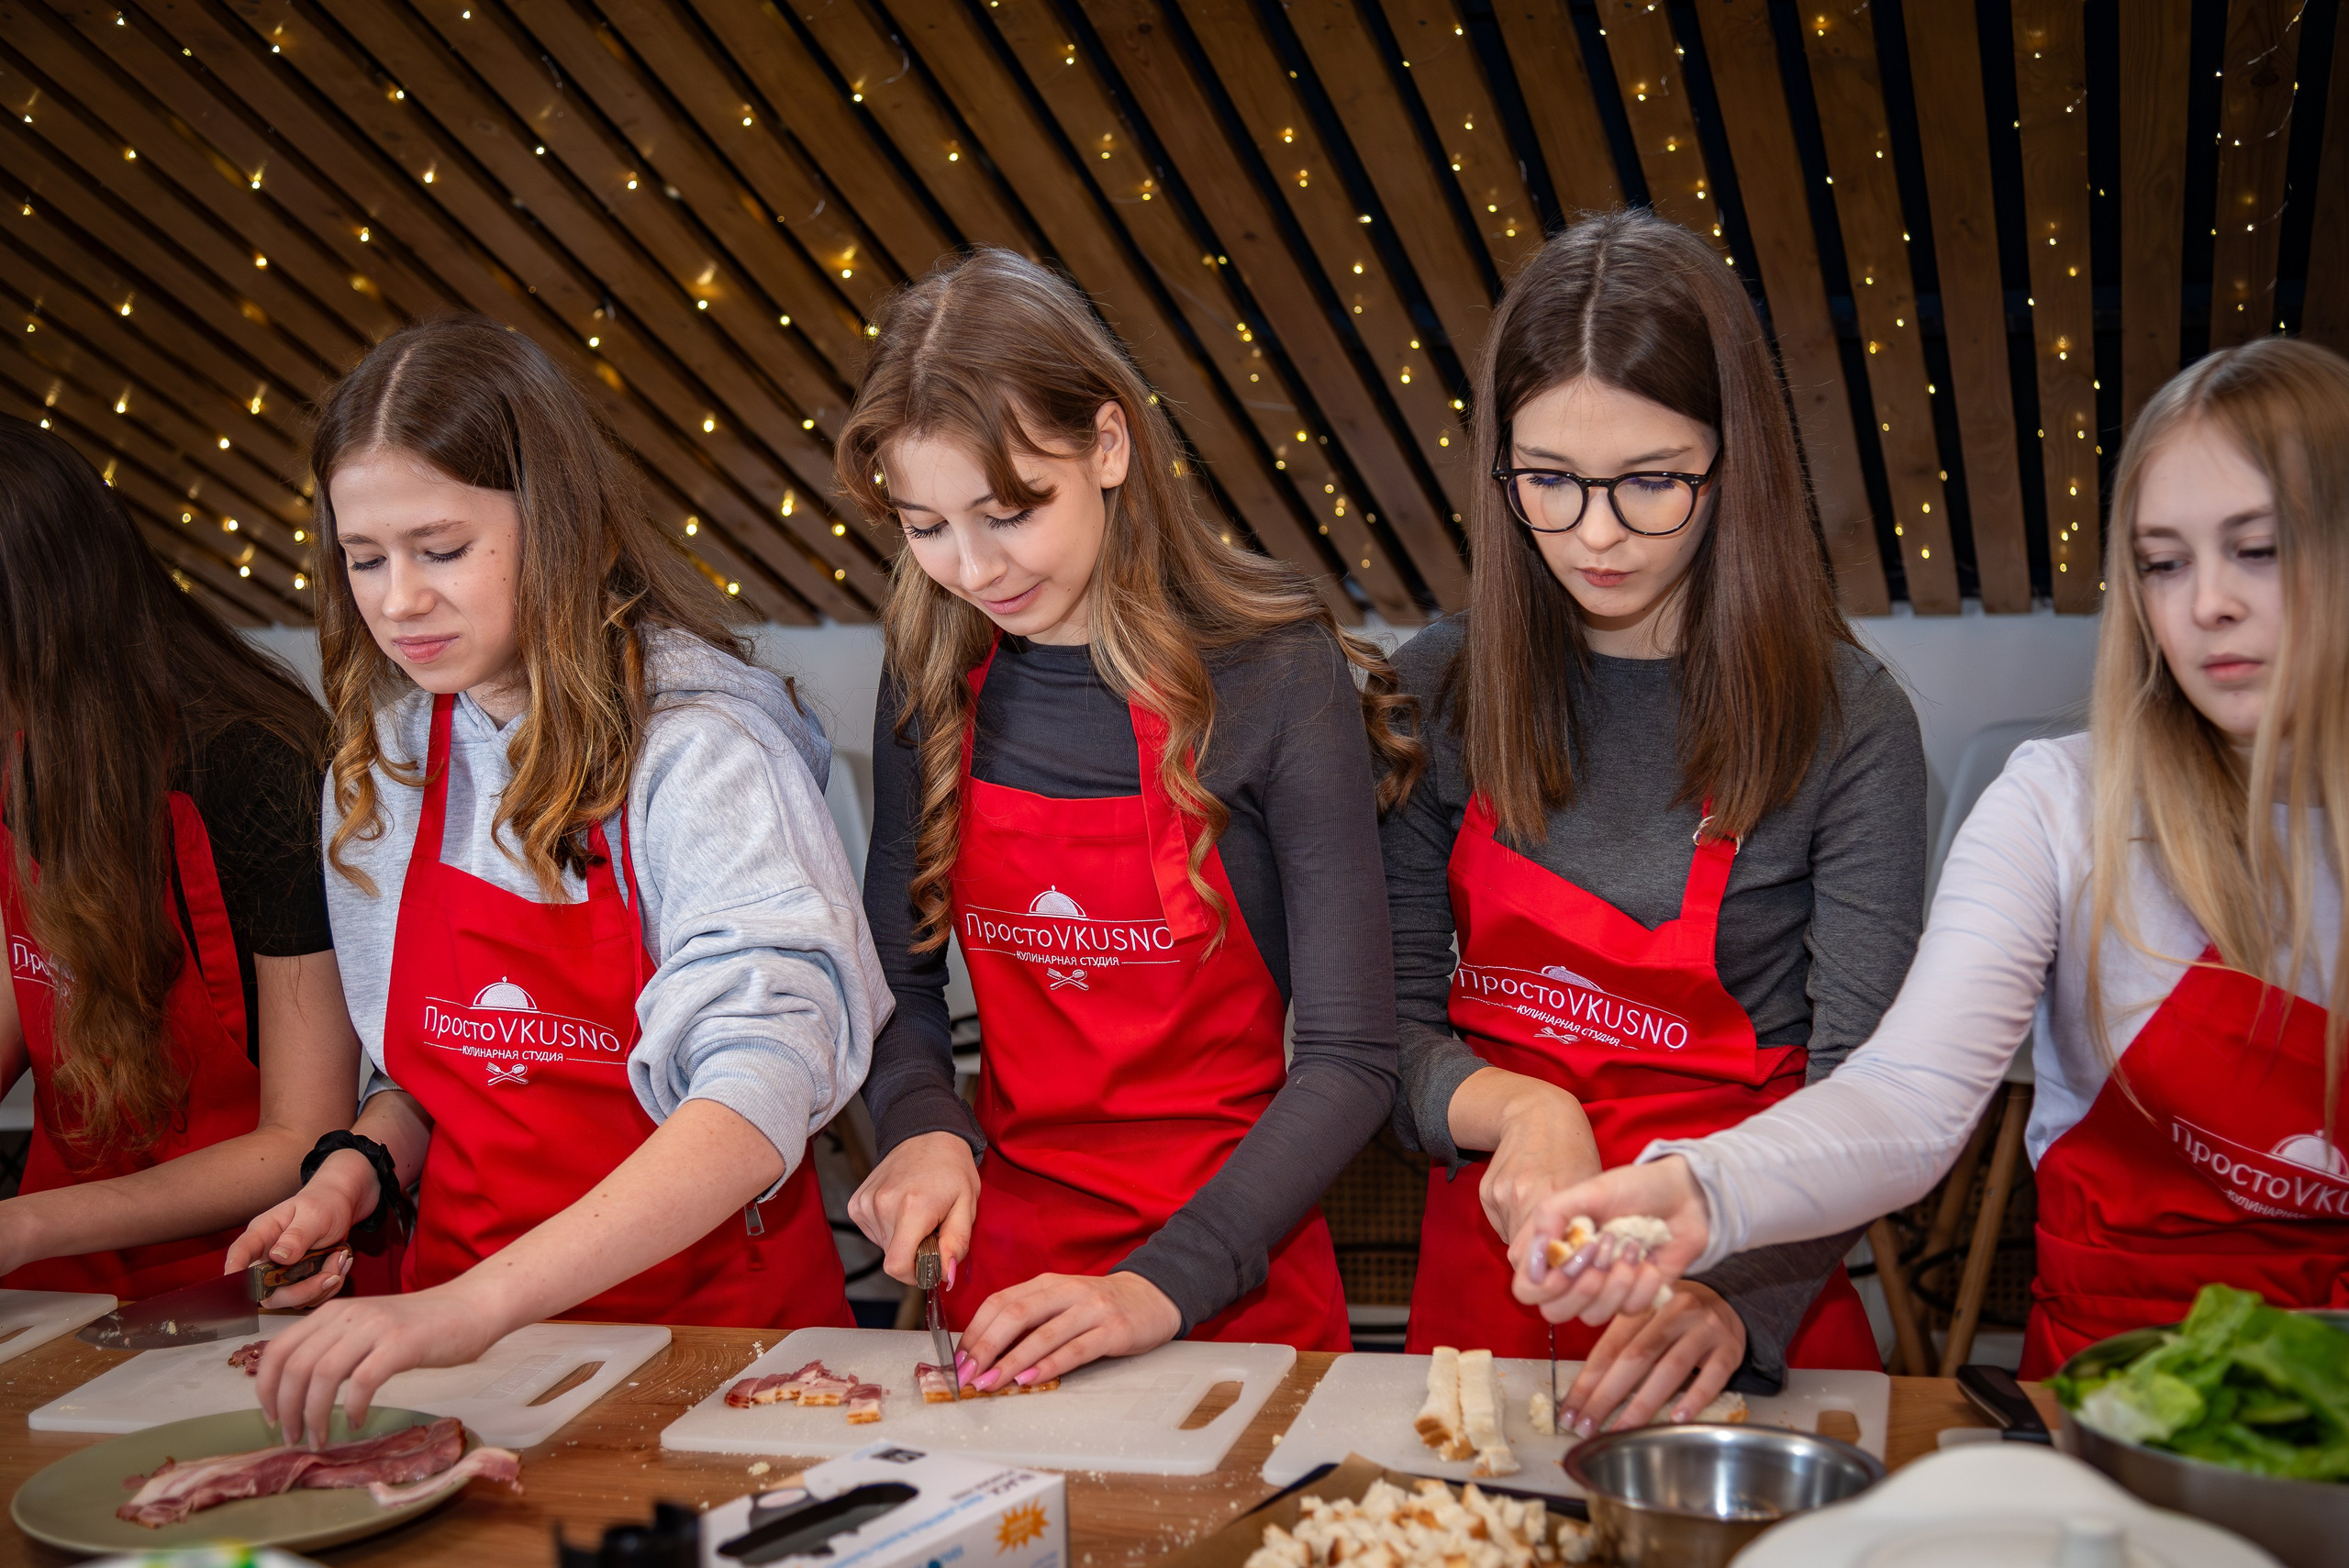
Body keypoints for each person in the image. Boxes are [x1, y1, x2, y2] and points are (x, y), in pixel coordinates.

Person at [1515, 336, 2349, 1381]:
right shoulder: (2062, 804)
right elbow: (1907, 1096)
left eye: (2258, 548)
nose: (2207, 603)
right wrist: (1697, 1191)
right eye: (2163, 561)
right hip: (2120, 1385)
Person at [231, 317, 889, 1444]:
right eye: (365, 555)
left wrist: (473, 1307)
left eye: (440, 548)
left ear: (556, 522)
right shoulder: (390, 752)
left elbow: (757, 1089)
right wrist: (357, 1169)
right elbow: (430, 1074)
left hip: (710, 1359)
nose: (396, 601)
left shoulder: (699, 746)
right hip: (456, 1364)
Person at [842, 248, 1417, 1390]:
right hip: (1008, 1285)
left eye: (1009, 512)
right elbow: (896, 987)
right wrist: (918, 1122)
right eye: (926, 525)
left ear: (1107, 446)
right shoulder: (927, 669)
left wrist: (1157, 1285)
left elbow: (1355, 1056)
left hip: (1234, 1271)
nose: (972, 567)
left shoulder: (1270, 671)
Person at [1382, 211, 1920, 1429]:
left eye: (1652, 481)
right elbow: (1381, 1046)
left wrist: (1732, 1300)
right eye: (1551, 483)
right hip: (1491, 1321)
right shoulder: (1439, 691)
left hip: (1745, 1313)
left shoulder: (1851, 723)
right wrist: (1527, 1109)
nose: (1599, 535)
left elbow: (1872, 1093)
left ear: (1736, 465)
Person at [0, 417, 360, 1300]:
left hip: (238, 1280)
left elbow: (301, 1132)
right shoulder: (18, 754)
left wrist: (26, 1222)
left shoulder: (255, 771)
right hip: (50, 1280)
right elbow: (22, 994)